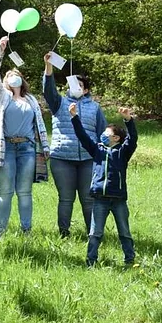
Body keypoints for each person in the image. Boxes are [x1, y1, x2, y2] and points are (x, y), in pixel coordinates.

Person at [43, 52, 107, 238]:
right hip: (62, 158)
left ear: (86, 90)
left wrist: (103, 153)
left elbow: (102, 133)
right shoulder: (59, 103)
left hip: (88, 159)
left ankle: (93, 233)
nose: (75, 87)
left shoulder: (94, 107)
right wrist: (49, 67)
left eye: (79, 85)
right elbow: (49, 91)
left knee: (88, 199)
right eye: (72, 84)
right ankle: (64, 234)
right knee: (66, 199)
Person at [0, 36, 49, 237]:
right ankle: (1, 233)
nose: (13, 77)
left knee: (25, 193)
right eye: (9, 75)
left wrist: (45, 148)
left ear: (22, 80)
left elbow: (39, 127)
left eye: (17, 75)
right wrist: (0, 51)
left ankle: (26, 231)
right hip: (6, 149)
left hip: (27, 149)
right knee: (5, 193)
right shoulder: (1, 96)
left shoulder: (31, 100)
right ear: (5, 81)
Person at [69, 104, 137, 266]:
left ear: (116, 138)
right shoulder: (97, 150)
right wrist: (74, 117)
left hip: (118, 199)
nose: (103, 136)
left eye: (107, 134)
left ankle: (129, 260)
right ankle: (91, 261)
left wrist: (128, 120)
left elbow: (132, 138)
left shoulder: (123, 152)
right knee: (95, 233)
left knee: (124, 232)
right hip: (100, 199)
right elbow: (83, 136)